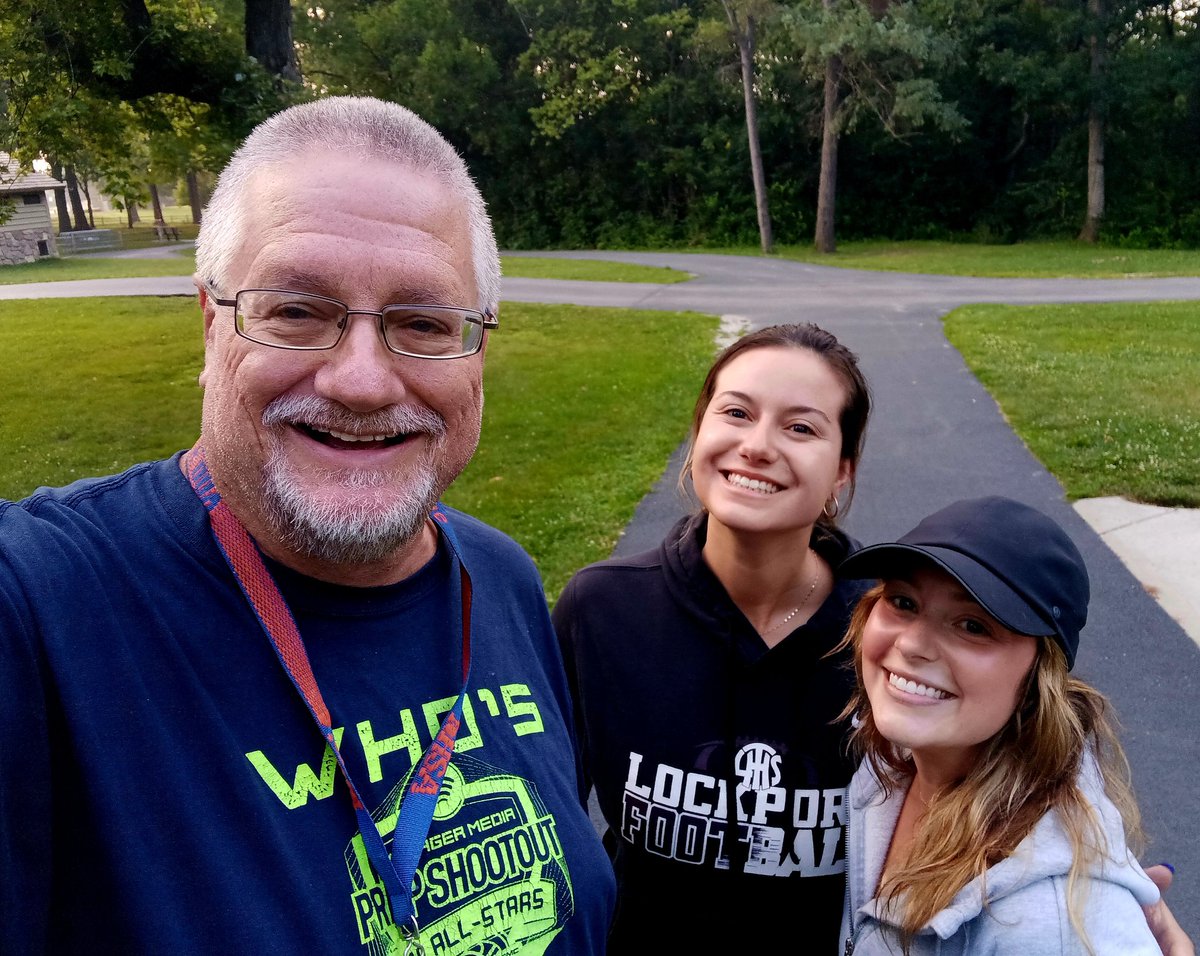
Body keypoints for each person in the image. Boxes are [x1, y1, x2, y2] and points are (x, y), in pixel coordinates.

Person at [0, 96, 615, 954]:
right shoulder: (41, 608)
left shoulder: (499, 578)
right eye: (296, 309)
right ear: (212, 323)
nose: (362, 381)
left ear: (477, 350)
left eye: (424, 324)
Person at [552, 323, 873, 951]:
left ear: (841, 471)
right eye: (736, 413)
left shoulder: (882, 629)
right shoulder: (603, 609)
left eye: (800, 427)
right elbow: (545, 821)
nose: (756, 446)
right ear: (700, 432)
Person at [837, 496, 1160, 954]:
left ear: (1037, 678)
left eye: (972, 626)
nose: (911, 644)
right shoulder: (892, 763)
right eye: (903, 601)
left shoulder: (1049, 925)